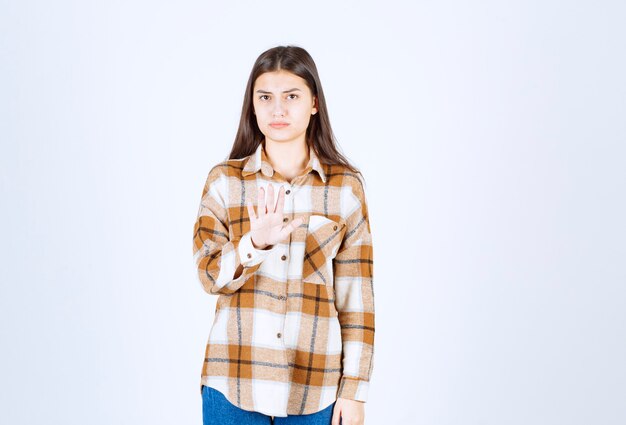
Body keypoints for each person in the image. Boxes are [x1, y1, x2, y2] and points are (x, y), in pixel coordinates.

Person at [192, 45, 375, 425]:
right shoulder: (224, 183)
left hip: (316, 387)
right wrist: (253, 245)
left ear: (313, 104)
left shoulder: (345, 189)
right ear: (253, 106)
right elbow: (208, 275)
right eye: (266, 97)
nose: (278, 109)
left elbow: (356, 299)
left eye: (291, 96)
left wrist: (354, 392)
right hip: (233, 383)